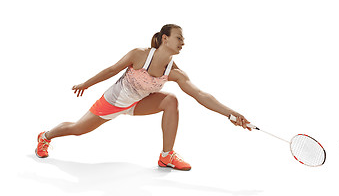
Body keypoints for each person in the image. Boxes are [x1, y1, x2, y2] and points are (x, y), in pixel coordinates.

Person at [35, 24, 251, 171]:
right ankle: (45, 136)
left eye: (183, 39)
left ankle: (167, 156)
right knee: (78, 129)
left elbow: (201, 95)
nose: (182, 42)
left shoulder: (174, 71)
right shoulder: (139, 55)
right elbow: (111, 70)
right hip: (113, 102)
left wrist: (231, 114)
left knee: (170, 100)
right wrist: (86, 84)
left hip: (138, 102)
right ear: (164, 38)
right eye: (179, 37)